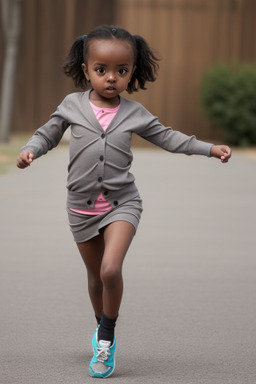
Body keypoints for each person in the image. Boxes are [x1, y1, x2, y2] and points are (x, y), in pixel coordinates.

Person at [17, 25, 231, 378]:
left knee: (110, 269)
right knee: (95, 279)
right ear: (86, 70)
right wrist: (30, 151)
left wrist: (210, 149)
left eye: (121, 70)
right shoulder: (72, 106)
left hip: (122, 204)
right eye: (101, 70)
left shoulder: (135, 113)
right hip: (81, 209)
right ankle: (102, 323)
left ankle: (105, 339)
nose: (111, 78)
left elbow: (170, 138)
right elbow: (47, 134)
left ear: (133, 71)